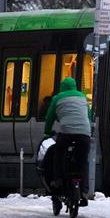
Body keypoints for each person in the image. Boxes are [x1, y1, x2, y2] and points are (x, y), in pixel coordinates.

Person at [43, 77, 91, 210]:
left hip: (66, 133)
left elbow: (50, 117)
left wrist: (47, 132)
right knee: (83, 162)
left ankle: (58, 180)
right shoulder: (82, 97)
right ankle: (84, 191)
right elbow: (88, 116)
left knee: (58, 154)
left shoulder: (57, 98)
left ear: (62, 87)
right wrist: (88, 131)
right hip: (84, 134)